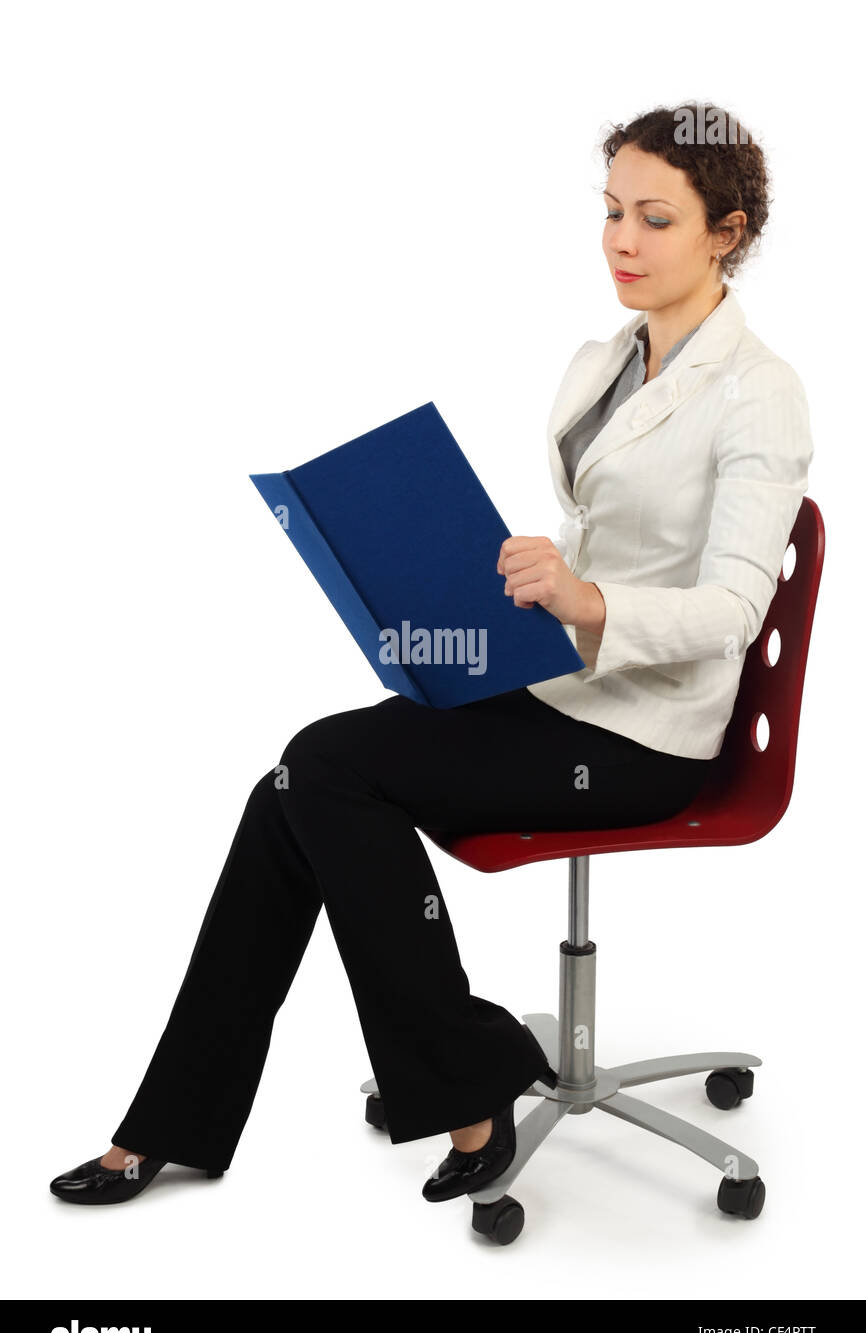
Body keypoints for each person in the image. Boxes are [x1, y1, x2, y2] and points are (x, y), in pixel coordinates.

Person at [49, 101, 812, 1208]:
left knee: (324, 767)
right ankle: (172, 1121)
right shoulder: (608, 359)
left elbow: (733, 609)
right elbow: (617, 535)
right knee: (293, 781)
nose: (620, 242)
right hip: (559, 682)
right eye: (608, 212)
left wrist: (586, 595)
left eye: (655, 218)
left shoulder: (761, 392)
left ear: (725, 232)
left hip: (642, 736)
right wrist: (517, 578)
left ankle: (469, 1079)